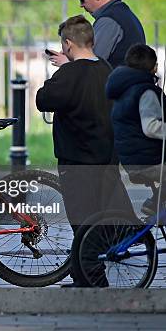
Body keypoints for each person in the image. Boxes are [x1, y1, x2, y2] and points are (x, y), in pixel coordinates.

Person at [36, 15, 129, 287]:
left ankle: (90, 278)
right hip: (108, 156)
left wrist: (61, 72)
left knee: (82, 220)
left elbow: (44, 99)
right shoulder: (108, 69)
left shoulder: (69, 74)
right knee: (100, 215)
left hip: (76, 158)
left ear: (67, 44)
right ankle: (87, 273)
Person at [107, 44, 165, 214]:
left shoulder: (124, 89)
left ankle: (157, 203)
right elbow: (151, 127)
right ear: (154, 67)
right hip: (148, 161)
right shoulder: (145, 91)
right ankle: (154, 203)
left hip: (131, 158)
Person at [48, 0, 145, 69]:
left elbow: (92, 65)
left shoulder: (109, 20)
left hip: (120, 83)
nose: (81, 5)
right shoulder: (122, 12)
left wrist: (67, 64)